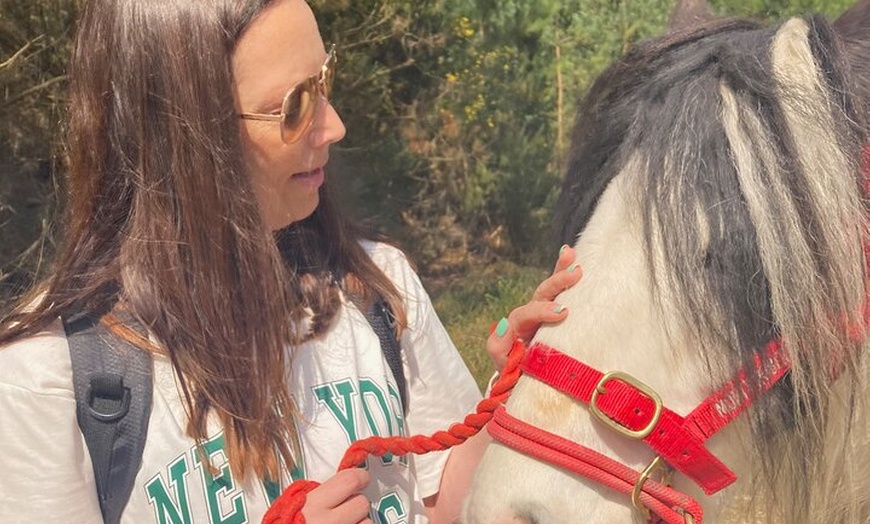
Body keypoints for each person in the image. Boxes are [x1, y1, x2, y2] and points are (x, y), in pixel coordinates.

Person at [0, 0, 582, 523]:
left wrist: (514, 393)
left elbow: (446, 505)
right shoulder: (49, 381)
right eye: (294, 106)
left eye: (325, 81)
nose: (334, 126)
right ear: (178, 139)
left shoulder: (377, 288)